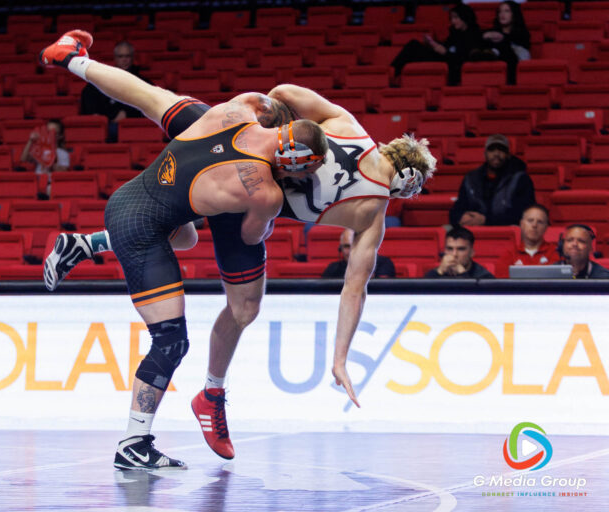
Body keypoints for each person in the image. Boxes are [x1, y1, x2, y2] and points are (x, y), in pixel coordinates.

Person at [40, 30, 436, 463]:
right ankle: (211, 393)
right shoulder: (371, 214)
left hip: (236, 142)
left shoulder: (347, 127)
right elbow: (351, 289)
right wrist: (339, 357)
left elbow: (282, 91)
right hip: (252, 198)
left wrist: (264, 122)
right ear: (408, 183)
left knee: (155, 102)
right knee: (242, 305)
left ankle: (73, 60)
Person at [449, 133, 534, 227]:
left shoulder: (520, 179)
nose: (496, 154)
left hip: (506, 229)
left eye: (501, 150)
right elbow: (457, 209)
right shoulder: (471, 179)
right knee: (446, 230)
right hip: (474, 229)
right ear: (485, 153)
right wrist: (461, 217)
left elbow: (524, 214)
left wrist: (486, 220)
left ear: (508, 155)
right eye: (492, 150)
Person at [391, 3, 482, 85]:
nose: (453, 21)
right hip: (443, 58)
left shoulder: (474, 34)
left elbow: (464, 58)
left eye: (456, 18)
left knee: (414, 48)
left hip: (453, 66)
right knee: (413, 45)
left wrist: (445, 53)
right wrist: (432, 44)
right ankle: (390, 73)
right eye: (452, 18)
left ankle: (392, 74)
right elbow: (447, 46)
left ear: (465, 17)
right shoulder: (454, 32)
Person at [80, 41, 148, 141]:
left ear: (133, 58)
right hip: (105, 125)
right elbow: (88, 99)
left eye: (127, 56)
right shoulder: (102, 79)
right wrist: (97, 115)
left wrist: (127, 113)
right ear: (115, 58)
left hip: (130, 127)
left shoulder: (143, 82)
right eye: (120, 57)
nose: (124, 60)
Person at [473, 1, 530, 84]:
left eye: (506, 11)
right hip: (494, 66)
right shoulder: (492, 32)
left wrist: (502, 38)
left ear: (514, 14)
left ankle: (493, 53)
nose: (502, 14)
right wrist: (484, 36)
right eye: (500, 11)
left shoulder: (521, 33)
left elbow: (522, 52)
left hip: (513, 61)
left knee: (502, 44)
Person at [496, 204, 559, 278]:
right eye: (530, 220)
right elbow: (501, 285)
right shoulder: (509, 256)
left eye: (540, 222)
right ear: (521, 224)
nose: (534, 225)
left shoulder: (556, 253)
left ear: (546, 227)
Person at [321, 229, 396, 278]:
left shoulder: (384, 263)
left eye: (356, 245)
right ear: (340, 249)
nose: (352, 251)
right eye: (347, 246)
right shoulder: (333, 269)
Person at [424, 227, 494, 278]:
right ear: (444, 251)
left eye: (461, 249)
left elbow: (472, 296)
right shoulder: (436, 273)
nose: (454, 254)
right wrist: (439, 272)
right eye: (450, 249)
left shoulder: (484, 277)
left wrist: (462, 273)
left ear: (472, 252)